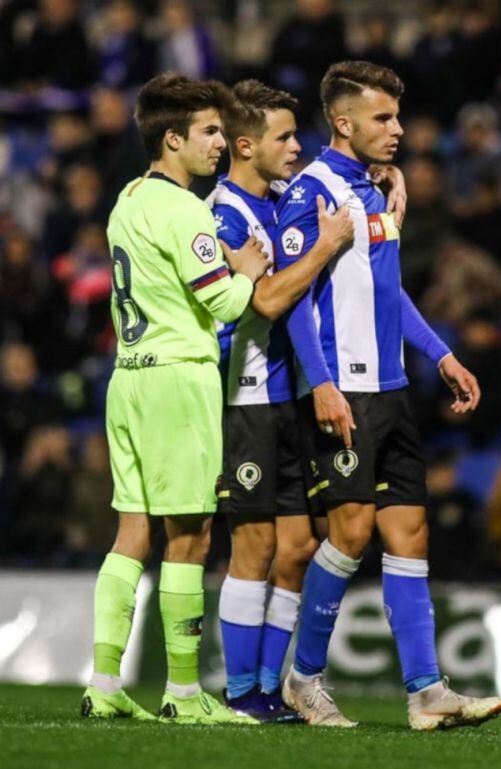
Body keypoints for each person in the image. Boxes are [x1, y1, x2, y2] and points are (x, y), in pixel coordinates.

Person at [274, 61, 501, 730]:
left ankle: (426, 689)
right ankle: (305, 678)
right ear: (344, 123)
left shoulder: (371, 193)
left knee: (409, 531)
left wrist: (443, 354)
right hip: (341, 387)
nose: (398, 130)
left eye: (398, 117)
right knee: (349, 532)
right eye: (384, 118)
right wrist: (320, 383)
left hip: (393, 388)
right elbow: (293, 301)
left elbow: (387, 291)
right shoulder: (311, 192)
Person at [81, 74, 270, 724]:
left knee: (131, 530)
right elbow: (222, 302)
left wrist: (219, 261)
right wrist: (244, 271)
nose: (221, 143)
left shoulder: (129, 200)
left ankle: (105, 680)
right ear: (172, 138)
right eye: (210, 131)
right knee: (189, 534)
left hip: (128, 376)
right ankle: (184, 693)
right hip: (177, 380)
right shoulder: (187, 210)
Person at [208, 79, 356, 723]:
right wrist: (325, 246)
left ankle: (273, 686)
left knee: (297, 546)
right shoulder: (223, 214)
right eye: (285, 137)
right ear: (246, 146)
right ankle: (242, 693)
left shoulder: (279, 204)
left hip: (288, 397)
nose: (297, 147)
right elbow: (266, 301)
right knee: (255, 548)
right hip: (244, 399)